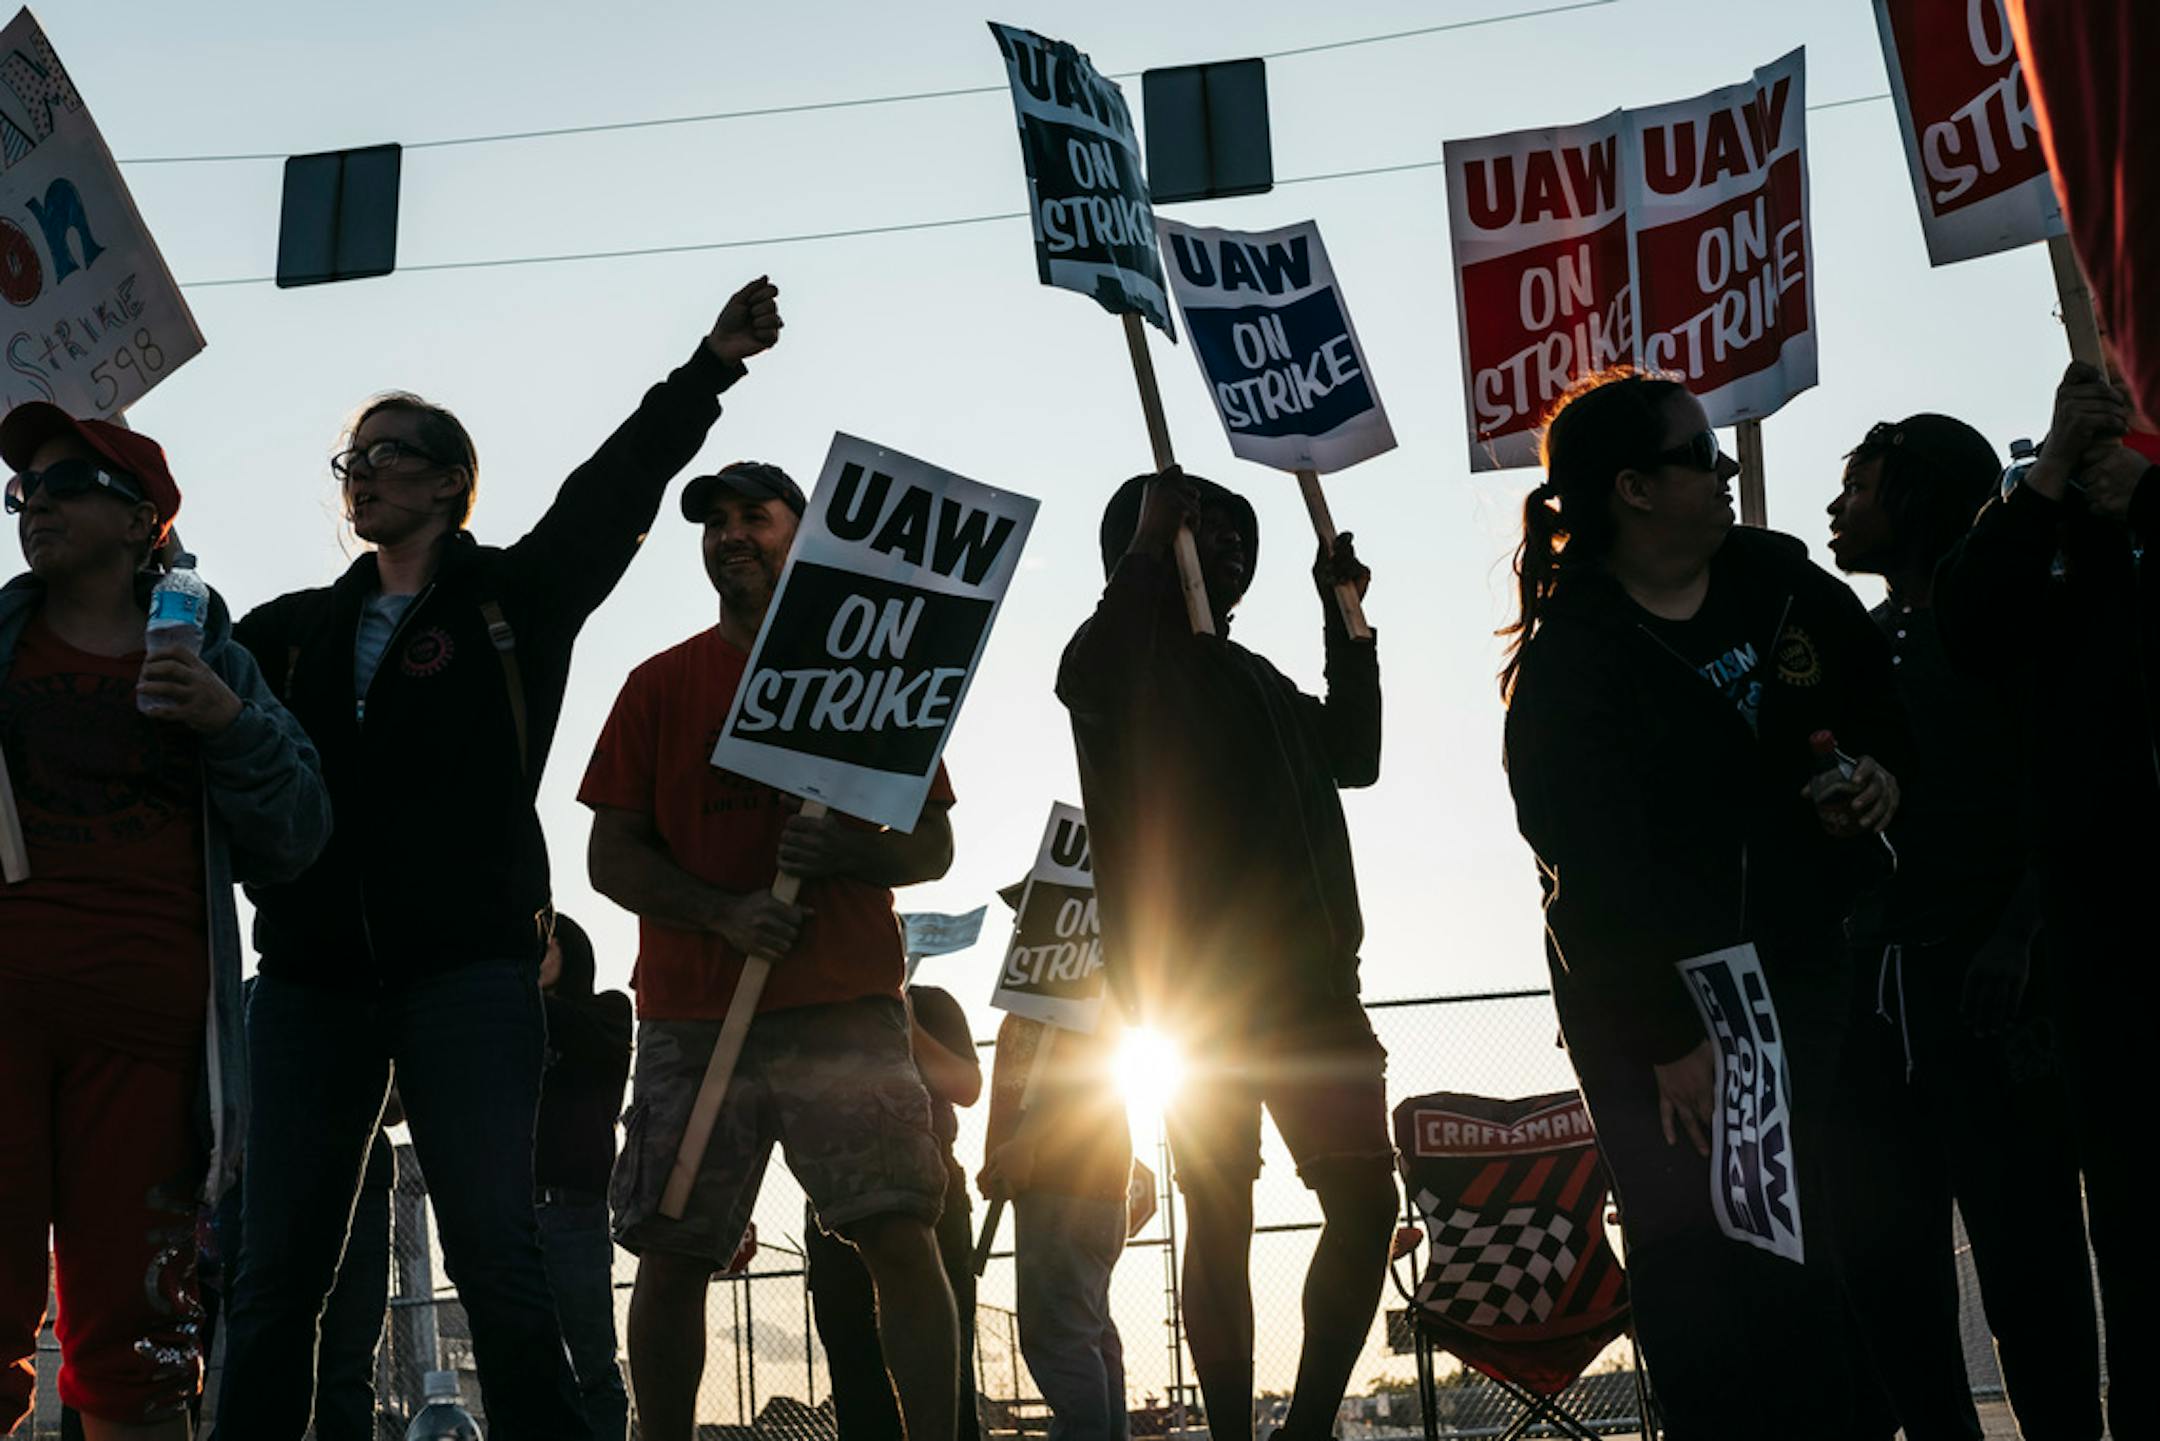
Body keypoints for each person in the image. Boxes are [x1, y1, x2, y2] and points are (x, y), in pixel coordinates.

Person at [215, 276, 784, 1440]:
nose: (362, 474)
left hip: (468, 975)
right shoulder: (289, 632)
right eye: (351, 461)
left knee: (497, 1255)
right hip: (312, 982)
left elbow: (612, 490)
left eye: (388, 454)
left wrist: (709, 368)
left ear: (447, 479)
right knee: (278, 1275)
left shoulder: (513, 601)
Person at [1498, 370, 1905, 1440]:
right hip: (1656, 1006)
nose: (1725, 473)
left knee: (1797, 1238)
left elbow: (1878, 704)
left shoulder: (1775, 579)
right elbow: (1586, 875)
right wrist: (1670, 1038)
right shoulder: (1571, 665)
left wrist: (1878, 774)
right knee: (1697, 1260)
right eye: (1698, 456)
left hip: (1797, 964)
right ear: (1633, 489)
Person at [581, 460, 961, 1441]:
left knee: (898, 1232)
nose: (731, 532)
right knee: (670, 1249)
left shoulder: (869, 672)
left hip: (843, 1004)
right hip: (692, 1014)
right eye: (714, 520)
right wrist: (720, 912)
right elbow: (607, 851)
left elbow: (933, 843)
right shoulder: (657, 685)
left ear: (806, 534)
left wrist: (838, 847)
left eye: (756, 514)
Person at [0, 407, 330, 1437]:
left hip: (147, 1046)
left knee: (138, 1348)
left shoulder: (211, 658)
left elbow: (299, 833)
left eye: (64, 484)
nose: (34, 503)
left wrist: (226, 724)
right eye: (23, 491)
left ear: (143, 520)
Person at [1056, 467, 1397, 1441]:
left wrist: (1346, 619)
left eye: (1240, 532)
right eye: (1200, 526)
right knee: (1221, 1214)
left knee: (1366, 1202)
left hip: (1320, 995)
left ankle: (1311, 1424)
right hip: (1199, 1001)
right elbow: (1088, 669)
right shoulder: (1132, 672)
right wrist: (1141, 553)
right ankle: (1234, 1432)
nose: (1228, 543)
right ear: (1145, 545)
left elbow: (1357, 754)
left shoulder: (1259, 682)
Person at [1825, 415, 2101, 1440]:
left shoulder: (2021, 626)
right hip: (1877, 1004)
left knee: (2030, 1266)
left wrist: (2019, 935)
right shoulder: (1850, 643)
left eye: (1857, 488)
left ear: (1921, 493)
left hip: (1994, 1005)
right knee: (1889, 1277)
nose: (1835, 509)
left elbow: (2067, 797)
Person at [1935, 361, 2160, 1440]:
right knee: (2135, 1219)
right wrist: (2058, 477)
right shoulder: (2050, 502)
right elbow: (1969, 623)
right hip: (2108, 931)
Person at [807, 983, 984, 1441]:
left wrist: (904, 1019)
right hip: (834, 1188)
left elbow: (965, 1086)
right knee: (852, 1357)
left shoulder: (931, 1004)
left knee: (945, 1355)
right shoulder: (808, 1001)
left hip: (931, 1185)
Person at [978, 1015, 1133, 1441]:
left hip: (1061, 1186)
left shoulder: (1059, 984)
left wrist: (1025, 1144)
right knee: (1090, 1334)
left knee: (1062, 1339)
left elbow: (1079, 1069)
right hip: (1091, 1186)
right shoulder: (1076, 984)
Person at [537, 911, 634, 1441]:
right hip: (513, 1214)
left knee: (593, 1366)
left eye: (543, 944)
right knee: (525, 1365)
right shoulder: (513, 1026)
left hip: (574, 1210)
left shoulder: (607, 1011)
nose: (530, 958)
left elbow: (587, 1041)